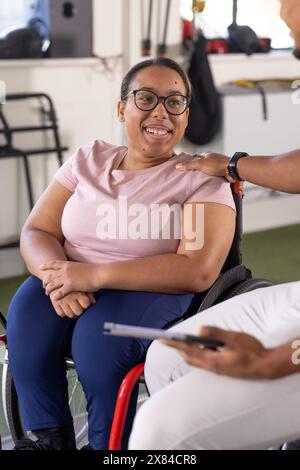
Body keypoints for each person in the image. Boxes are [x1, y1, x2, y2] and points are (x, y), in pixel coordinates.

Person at [6, 57, 236, 450]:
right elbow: (38, 230)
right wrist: (53, 275)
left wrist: (92, 277)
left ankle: (108, 448)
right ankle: (50, 440)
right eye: (145, 98)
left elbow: (196, 269)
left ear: (186, 115)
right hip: (71, 276)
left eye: (174, 101)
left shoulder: (198, 177)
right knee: (26, 319)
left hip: (151, 289)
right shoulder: (87, 160)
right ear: (121, 108)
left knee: (100, 343)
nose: (160, 111)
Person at [128, 0, 300, 451]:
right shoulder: (90, 161)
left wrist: (275, 362)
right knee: (167, 354)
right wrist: (232, 164)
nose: (283, 12)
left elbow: (199, 271)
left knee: (155, 431)